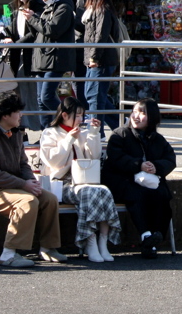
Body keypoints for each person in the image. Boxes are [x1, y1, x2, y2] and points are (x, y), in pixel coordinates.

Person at [0, 91, 64, 268]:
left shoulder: (16, 132)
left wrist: (30, 182)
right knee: (28, 202)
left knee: (49, 199)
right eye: (17, 112)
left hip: (13, 187)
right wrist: (23, 184)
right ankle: (8, 253)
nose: (21, 115)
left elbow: (23, 164)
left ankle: (48, 248)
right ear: (5, 115)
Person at [39, 97, 121, 262]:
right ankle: (89, 240)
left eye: (82, 115)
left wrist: (93, 134)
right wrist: (69, 139)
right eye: (77, 116)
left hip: (84, 180)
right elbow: (54, 162)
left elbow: (94, 157)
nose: (80, 120)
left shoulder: (82, 133)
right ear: (64, 115)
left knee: (104, 191)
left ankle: (102, 241)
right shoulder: (50, 133)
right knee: (87, 193)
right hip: (61, 183)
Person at [103, 98, 176, 259]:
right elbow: (116, 158)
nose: (136, 116)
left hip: (149, 181)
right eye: (134, 112)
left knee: (162, 194)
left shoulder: (158, 139)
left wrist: (155, 166)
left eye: (142, 113)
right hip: (122, 180)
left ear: (152, 118)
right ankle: (146, 236)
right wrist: (139, 165)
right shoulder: (120, 134)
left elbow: (170, 159)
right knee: (137, 194)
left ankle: (154, 238)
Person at [23, 0, 76, 130]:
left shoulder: (64, 7)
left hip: (56, 58)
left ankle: (70, 121)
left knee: (47, 97)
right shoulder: (51, 7)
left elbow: (52, 30)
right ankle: (47, 132)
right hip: (43, 58)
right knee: (41, 99)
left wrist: (33, 19)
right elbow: (43, 29)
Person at [0, 0, 46, 132]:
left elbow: (34, 34)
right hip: (19, 58)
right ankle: (21, 130)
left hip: (33, 59)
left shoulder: (38, 9)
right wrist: (1, 36)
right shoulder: (17, 10)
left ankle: (40, 128)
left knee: (33, 96)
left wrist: (16, 43)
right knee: (19, 94)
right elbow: (13, 30)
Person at [81, 0, 121, 132]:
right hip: (96, 58)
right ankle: (120, 126)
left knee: (94, 96)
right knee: (96, 96)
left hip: (100, 60)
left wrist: (94, 58)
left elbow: (100, 36)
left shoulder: (101, 10)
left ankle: (97, 132)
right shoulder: (96, 9)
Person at [70, 0, 91, 104]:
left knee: (79, 82)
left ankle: (83, 113)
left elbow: (80, 23)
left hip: (81, 44)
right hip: (90, 45)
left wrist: (70, 20)